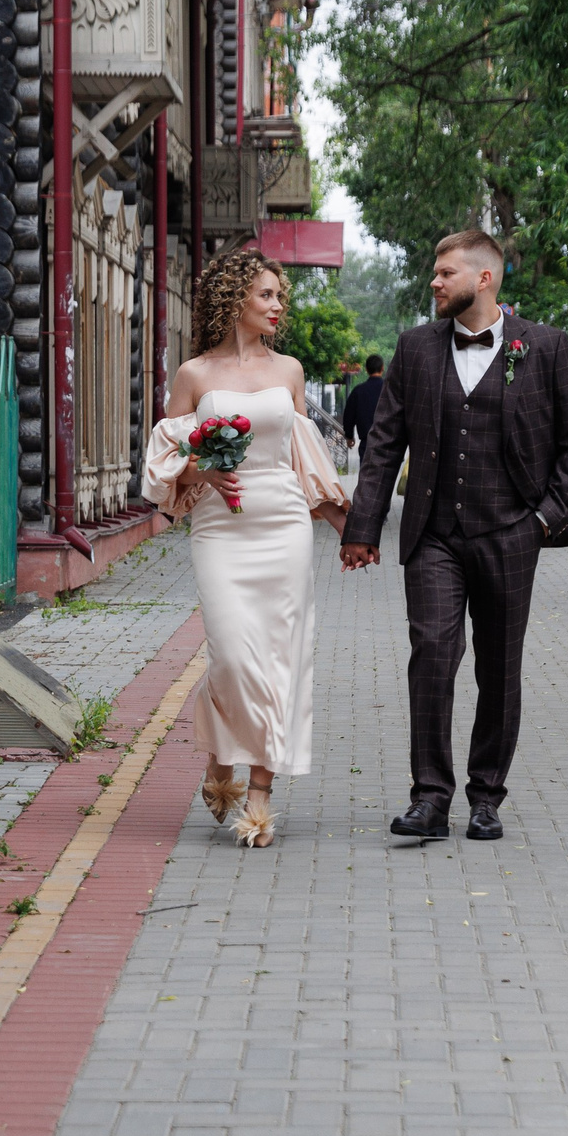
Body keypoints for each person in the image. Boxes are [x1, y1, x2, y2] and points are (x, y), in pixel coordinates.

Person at [339, 228, 568, 842]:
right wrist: (362, 527)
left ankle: (486, 797)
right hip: (435, 534)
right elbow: (383, 446)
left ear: (484, 278)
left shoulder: (547, 347)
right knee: (432, 655)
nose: (435, 282)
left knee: (499, 669)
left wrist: (543, 521)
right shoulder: (416, 349)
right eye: (435, 272)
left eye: (446, 272)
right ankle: (430, 797)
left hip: (512, 533)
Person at [142, 249, 351, 847]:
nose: (278, 305)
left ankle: (258, 791)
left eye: (280, 296)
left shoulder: (289, 372)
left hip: (283, 524)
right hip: (219, 529)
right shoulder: (194, 376)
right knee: (232, 657)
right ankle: (218, 754)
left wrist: (344, 524)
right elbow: (164, 462)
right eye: (268, 295)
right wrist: (200, 473)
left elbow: (303, 459)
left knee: (281, 658)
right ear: (236, 299)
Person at [341, 354, 386, 450]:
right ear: (382, 368)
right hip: (388, 444)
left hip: (367, 444)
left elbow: (349, 415)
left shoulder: (358, 391)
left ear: (366, 369)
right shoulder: (390, 390)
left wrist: (349, 436)